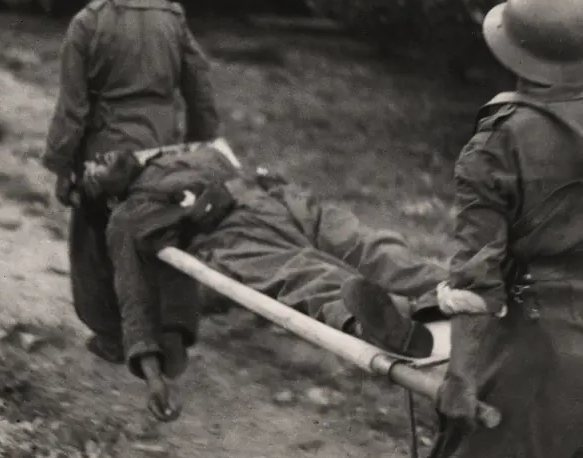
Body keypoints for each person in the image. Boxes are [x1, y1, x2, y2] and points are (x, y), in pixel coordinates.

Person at [429, 0, 583, 458]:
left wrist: (461, 377)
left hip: (540, 352)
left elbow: (475, 281)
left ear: (510, 47)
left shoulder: (496, 143)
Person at [78, 145, 449, 421]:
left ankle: (456, 289)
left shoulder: (171, 154)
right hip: (233, 237)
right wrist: (153, 375)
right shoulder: (126, 221)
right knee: (307, 276)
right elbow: (134, 295)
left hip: (279, 200)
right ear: (109, 196)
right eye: (91, 168)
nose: (97, 155)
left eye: (97, 150)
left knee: (371, 246)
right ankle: (396, 333)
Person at [40, 0, 220, 369]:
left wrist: (63, 166)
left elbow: (73, 109)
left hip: (109, 152)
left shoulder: (88, 24)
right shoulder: (171, 17)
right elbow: (200, 87)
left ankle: (111, 334)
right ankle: (170, 331)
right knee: (164, 232)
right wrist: (199, 147)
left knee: (93, 238)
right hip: (163, 149)